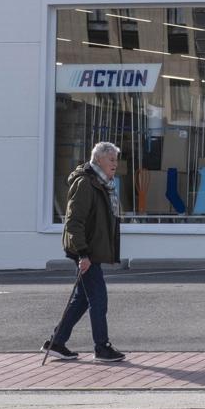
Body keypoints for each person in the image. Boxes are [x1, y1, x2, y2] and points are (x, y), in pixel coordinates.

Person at [41, 141, 125, 363]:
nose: (115, 164)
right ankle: (102, 347)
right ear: (98, 160)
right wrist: (83, 254)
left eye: (116, 160)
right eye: (111, 160)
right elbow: (74, 222)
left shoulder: (102, 183)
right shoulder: (85, 184)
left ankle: (57, 342)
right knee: (98, 298)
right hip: (85, 251)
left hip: (90, 250)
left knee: (82, 299)